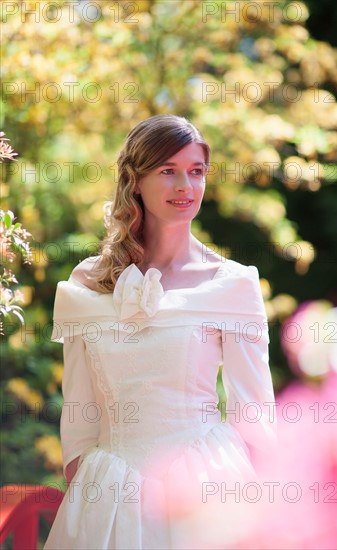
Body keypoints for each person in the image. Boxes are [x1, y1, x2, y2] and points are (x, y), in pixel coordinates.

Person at [43, 114, 277, 550]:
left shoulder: (232, 285)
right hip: (109, 489)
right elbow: (79, 412)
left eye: (196, 172)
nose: (184, 187)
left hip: (207, 484)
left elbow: (255, 415)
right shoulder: (85, 284)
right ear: (135, 181)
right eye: (167, 171)